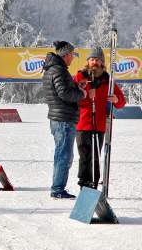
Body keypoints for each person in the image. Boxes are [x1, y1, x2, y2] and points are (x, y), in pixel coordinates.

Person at [73, 47, 125, 189]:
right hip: (83, 123)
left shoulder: (108, 80)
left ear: (102, 62)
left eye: (97, 60)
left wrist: (116, 99)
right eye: (91, 59)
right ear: (87, 62)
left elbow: (121, 101)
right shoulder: (80, 77)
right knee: (84, 155)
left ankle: (94, 182)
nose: (94, 62)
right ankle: (84, 182)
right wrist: (85, 97)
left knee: (96, 154)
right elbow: (71, 98)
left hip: (100, 124)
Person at [42, 41, 86, 199]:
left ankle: (58, 187)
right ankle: (58, 189)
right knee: (64, 155)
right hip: (63, 119)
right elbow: (64, 94)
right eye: (72, 55)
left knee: (61, 153)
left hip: (58, 117)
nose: (73, 58)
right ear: (66, 55)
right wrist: (82, 94)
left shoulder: (53, 69)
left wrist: (75, 86)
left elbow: (61, 90)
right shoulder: (59, 70)